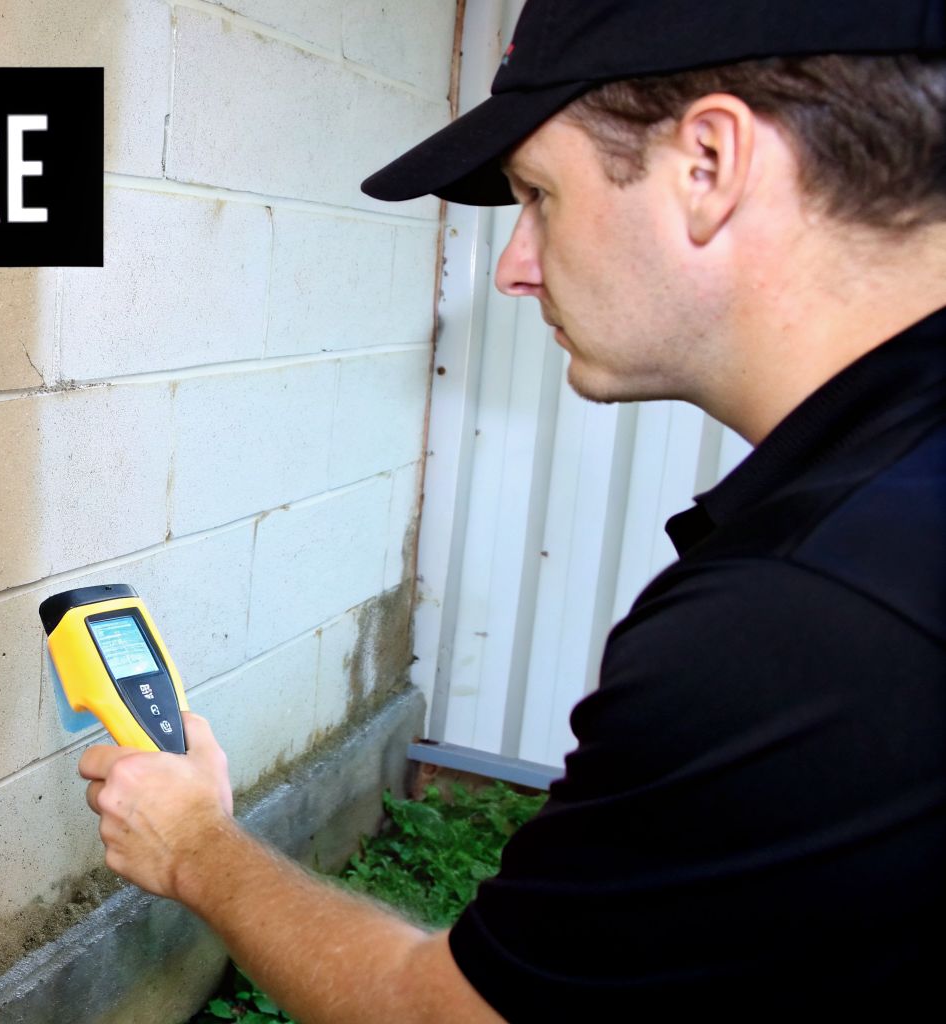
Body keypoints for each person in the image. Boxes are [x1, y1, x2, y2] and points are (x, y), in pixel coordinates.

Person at [76, 2, 946, 1020]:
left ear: (707, 162)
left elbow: (442, 1015)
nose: (512, 265)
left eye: (538, 192)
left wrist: (195, 849)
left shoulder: (805, 618)